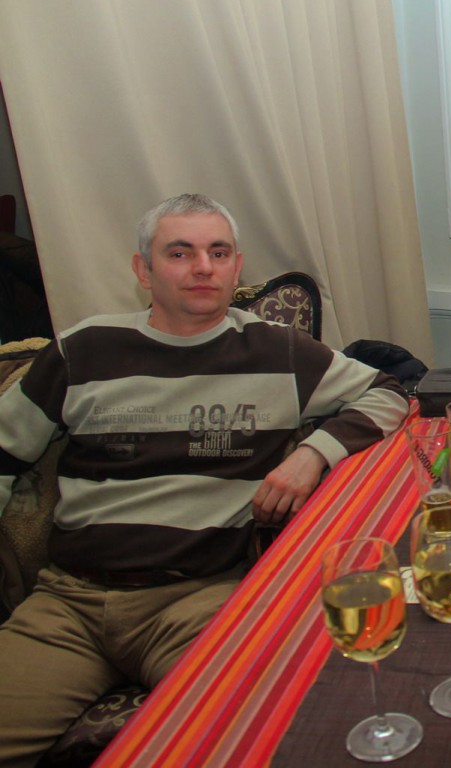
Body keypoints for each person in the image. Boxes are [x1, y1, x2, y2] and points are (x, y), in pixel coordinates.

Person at [0, 194, 410, 764]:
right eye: (180, 253)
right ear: (143, 269)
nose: (203, 267)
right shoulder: (84, 350)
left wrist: (312, 453)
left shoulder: (277, 351)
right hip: (67, 604)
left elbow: (388, 391)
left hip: (200, 599)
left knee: (256, 737)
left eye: (219, 253)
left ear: (237, 267)